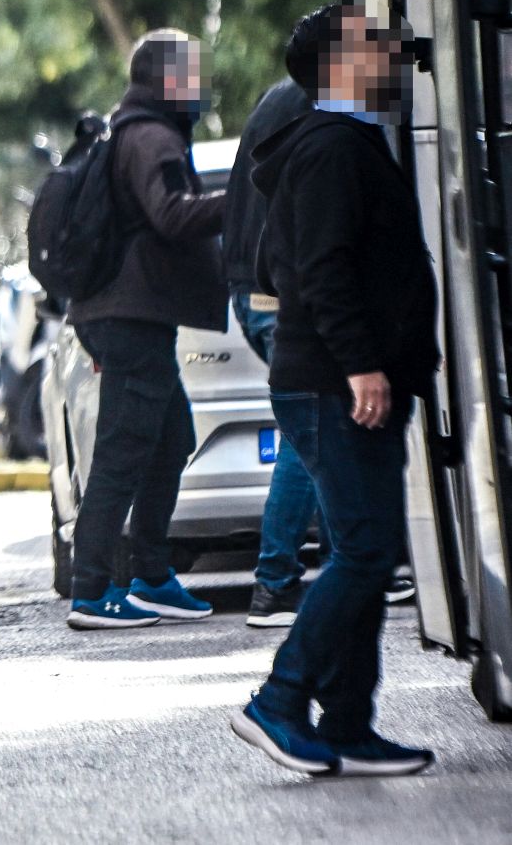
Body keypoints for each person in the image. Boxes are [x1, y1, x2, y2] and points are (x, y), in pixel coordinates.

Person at [230, 0, 438, 777]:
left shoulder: (345, 139)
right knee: (364, 549)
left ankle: (349, 722)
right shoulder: (328, 147)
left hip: (343, 379)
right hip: (333, 383)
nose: (392, 51)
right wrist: (359, 363)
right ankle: (279, 700)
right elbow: (318, 270)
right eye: (373, 42)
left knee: (368, 551)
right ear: (340, 64)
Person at [63, 29, 227, 629]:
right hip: (130, 316)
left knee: (171, 438)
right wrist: (244, 197)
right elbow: (170, 215)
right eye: (194, 73)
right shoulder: (152, 136)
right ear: (169, 79)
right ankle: (91, 589)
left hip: (126, 314)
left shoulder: (130, 131)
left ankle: (152, 575)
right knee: (122, 452)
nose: (202, 85)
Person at [222, 77, 327, 628]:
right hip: (281, 291)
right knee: (311, 428)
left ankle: (343, 564)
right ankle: (276, 581)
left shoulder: (273, 99)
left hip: (252, 288)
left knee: (320, 426)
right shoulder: (322, 104)